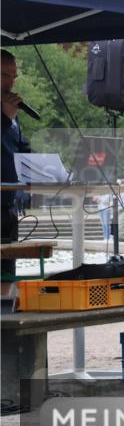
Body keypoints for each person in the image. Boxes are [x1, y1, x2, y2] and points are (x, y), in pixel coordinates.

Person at [1, 49, 30, 286]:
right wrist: (5, 119)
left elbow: (21, 148)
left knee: (7, 271)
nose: (10, 82)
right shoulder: (8, 114)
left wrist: (45, 169)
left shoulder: (11, 112)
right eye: (3, 75)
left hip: (8, 205)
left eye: (13, 76)